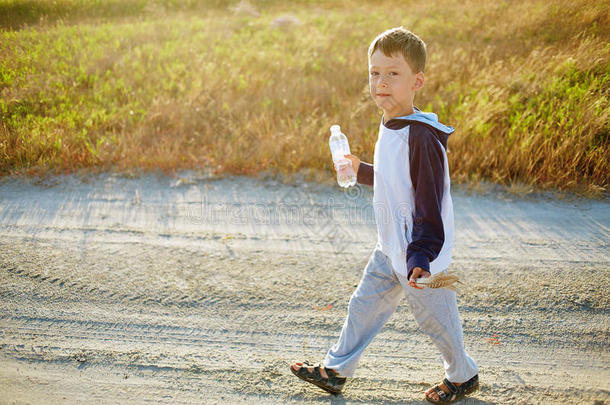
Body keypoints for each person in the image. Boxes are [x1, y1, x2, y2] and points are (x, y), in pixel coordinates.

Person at [290, 27, 479, 404]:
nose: (382, 82)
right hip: (391, 246)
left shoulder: (420, 137)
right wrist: (360, 169)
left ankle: (463, 375)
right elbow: (396, 180)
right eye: (375, 73)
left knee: (435, 320)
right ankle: (337, 370)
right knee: (364, 305)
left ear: (417, 81)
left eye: (393, 74)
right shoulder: (392, 123)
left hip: (420, 254)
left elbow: (428, 199)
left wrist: (421, 254)